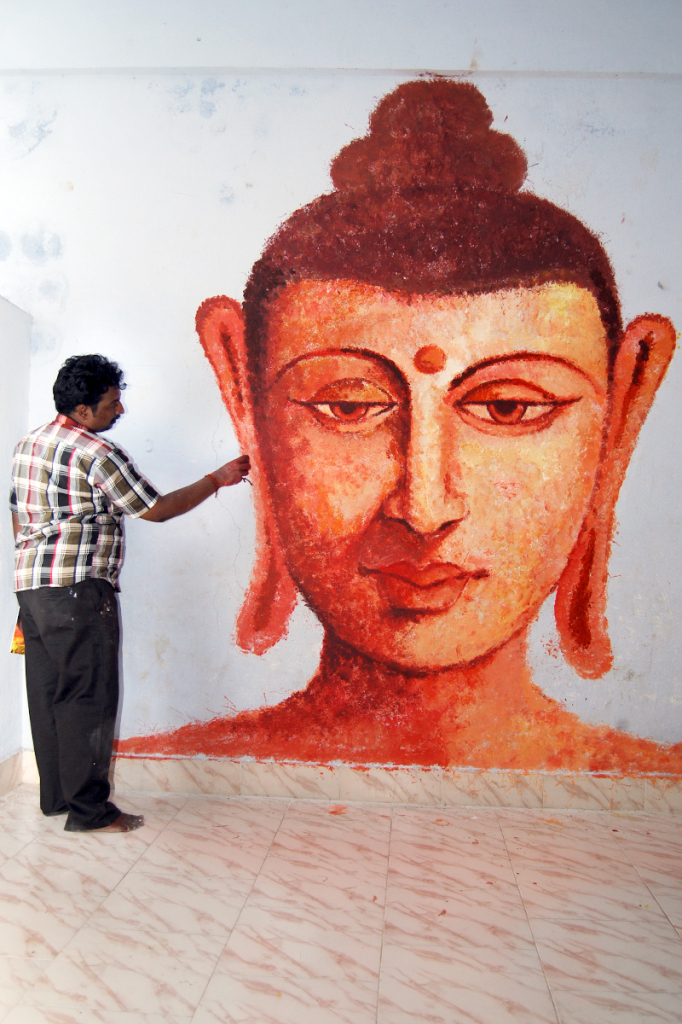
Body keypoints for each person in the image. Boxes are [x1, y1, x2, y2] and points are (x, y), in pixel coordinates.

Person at [119, 79, 682, 773]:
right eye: (348, 406)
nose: (424, 507)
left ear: (619, 418)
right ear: (246, 398)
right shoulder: (155, 769)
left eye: (508, 407)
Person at [10, 354, 249, 831]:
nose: (119, 412)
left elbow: (17, 513)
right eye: (111, 404)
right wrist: (217, 479)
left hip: (33, 590)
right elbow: (156, 509)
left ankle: (57, 799)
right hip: (79, 591)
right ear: (82, 409)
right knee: (88, 698)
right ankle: (91, 813)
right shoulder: (97, 454)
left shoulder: (29, 443)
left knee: (50, 693)